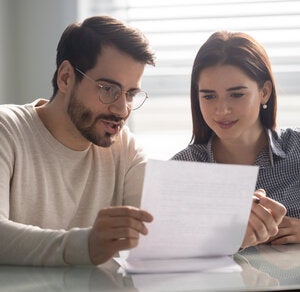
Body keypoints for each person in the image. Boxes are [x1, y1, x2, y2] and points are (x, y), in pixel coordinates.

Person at [0, 15, 155, 266]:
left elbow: (160, 231)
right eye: (108, 89)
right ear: (65, 77)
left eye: (131, 94)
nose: (121, 109)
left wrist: (230, 233)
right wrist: (86, 245)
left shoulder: (125, 148)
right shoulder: (6, 129)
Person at [172, 31, 292, 248]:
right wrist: (226, 242)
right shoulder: (181, 170)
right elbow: (165, 255)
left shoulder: (297, 149)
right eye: (209, 96)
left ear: (264, 92)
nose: (222, 110)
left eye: (236, 95)